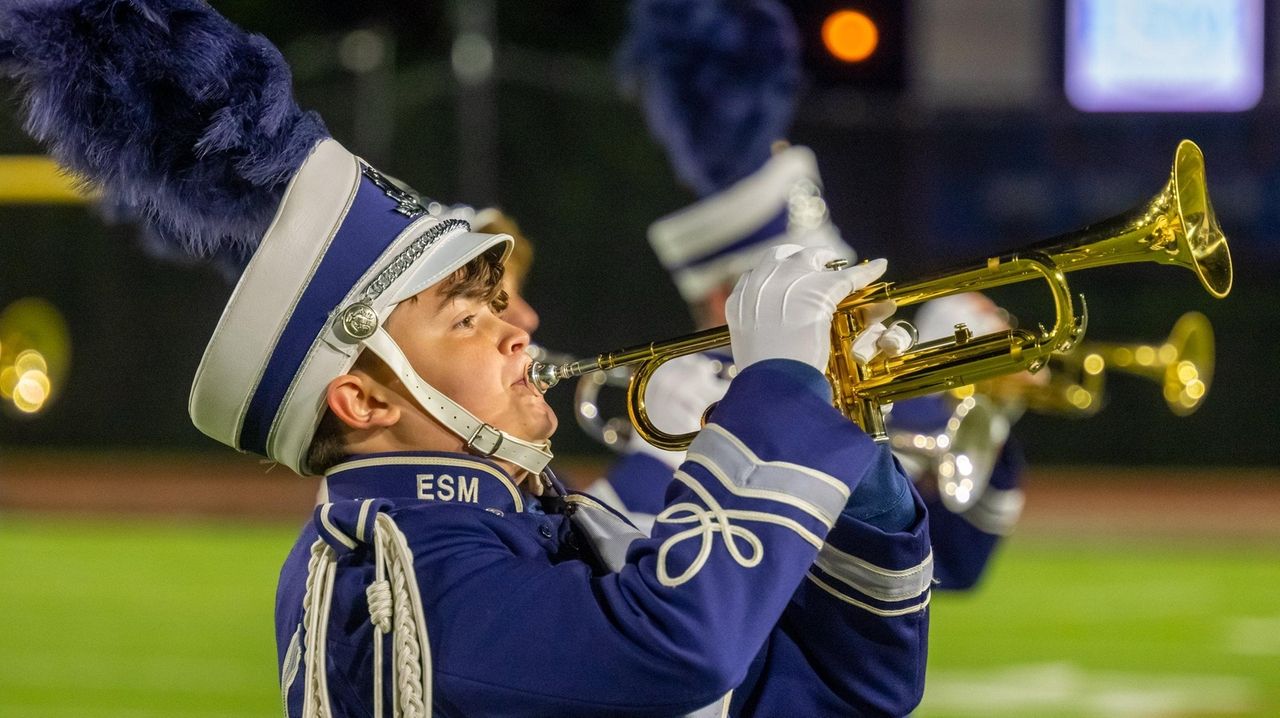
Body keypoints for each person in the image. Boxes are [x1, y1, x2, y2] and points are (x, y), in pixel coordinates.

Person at [1, 1, 932, 715]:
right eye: (466, 319)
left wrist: (860, 467)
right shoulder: (399, 575)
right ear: (363, 402)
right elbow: (679, 647)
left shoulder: (522, 533)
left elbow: (848, 692)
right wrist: (775, 398)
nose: (518, 331)